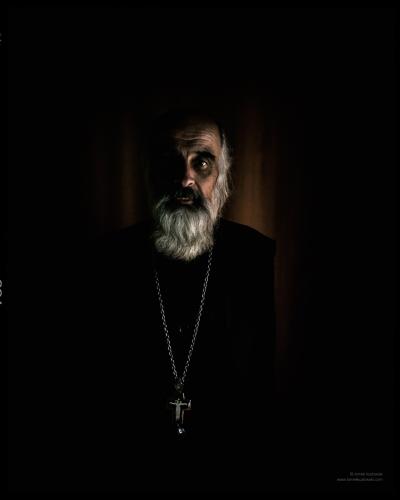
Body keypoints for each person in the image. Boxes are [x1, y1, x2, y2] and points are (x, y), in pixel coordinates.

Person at [67, 109, 277, 491]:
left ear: (222, 177)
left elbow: (261, 392)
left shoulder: (253, 257)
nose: (184, 179)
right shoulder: (106, 260)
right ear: (149, 172)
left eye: (202, 163)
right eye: (170, 161)